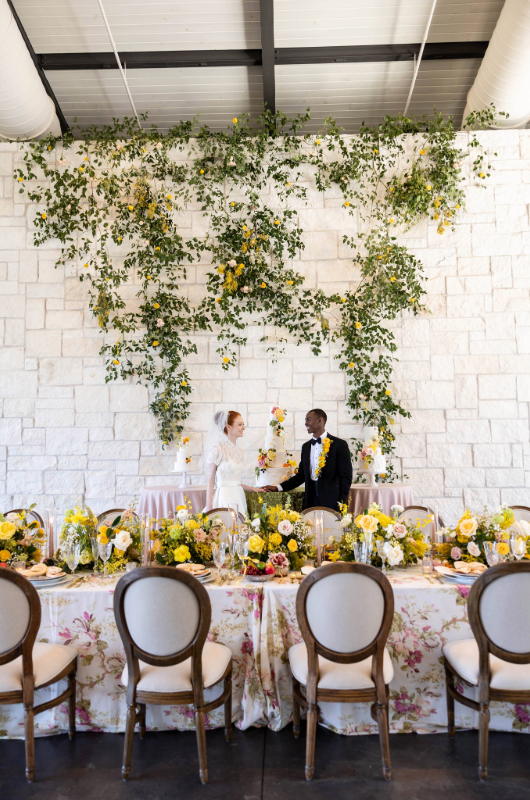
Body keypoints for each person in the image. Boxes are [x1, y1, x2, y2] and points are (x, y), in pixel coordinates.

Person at [263, 408, 352, 511]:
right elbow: (301, 476)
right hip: (310, 501)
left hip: (332, 501)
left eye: (309, 419)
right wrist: (278, 487)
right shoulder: (306, 447)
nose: (306, 423)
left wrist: (340, 501)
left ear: (320, 420)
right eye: (305, 420)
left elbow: (346, 477)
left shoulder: (339, 445)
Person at [205, 410, 263, 516]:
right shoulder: (217, 449)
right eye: (240, 424)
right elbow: (210, 480)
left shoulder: (240, 451)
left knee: (240, 528)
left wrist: (254, 489)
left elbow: (235, 481)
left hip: (238, 496)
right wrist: (209, 505)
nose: (243, 428)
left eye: (243, 424)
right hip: (224, 496)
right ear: (229, 427)